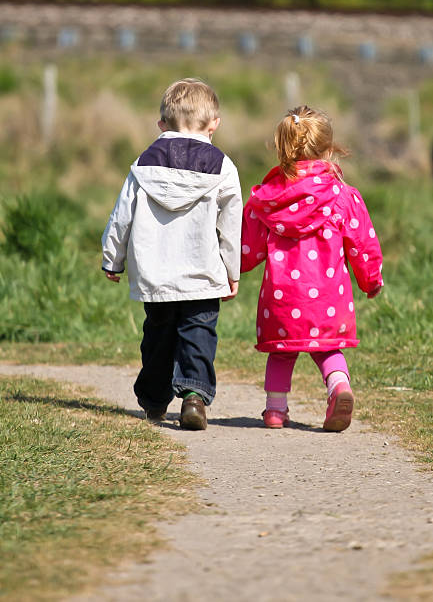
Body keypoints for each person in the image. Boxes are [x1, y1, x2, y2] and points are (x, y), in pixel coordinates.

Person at [101, 78, 242, 431]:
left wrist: (112, 258)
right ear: (214, 125)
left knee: (159, 336)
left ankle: (153, 400)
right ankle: (194, 396)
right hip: (203, 273)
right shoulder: (222, 167)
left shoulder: (143, 163)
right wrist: (232, 270)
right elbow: (231, 225)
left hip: (155, 272)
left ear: (162, 124)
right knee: (199, 332)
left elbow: (122, 216)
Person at [241, 105, 383, 432]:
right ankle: (339, 387)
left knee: (280, 352)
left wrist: (230, 273)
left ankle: (275, 411)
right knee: (328, 348)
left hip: (281, 298)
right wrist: (371, 279)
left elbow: (247, 248)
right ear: (329, 148)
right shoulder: (344, 197)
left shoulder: (267, 200)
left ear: (282, 149)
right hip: (329, 299)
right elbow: (363, 245)